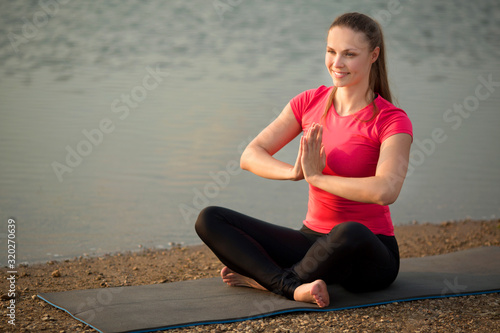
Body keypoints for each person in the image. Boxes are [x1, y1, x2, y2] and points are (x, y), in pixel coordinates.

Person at [195, 12, 413, 308]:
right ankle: (291, 285)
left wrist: (319, 178)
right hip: (311, 242)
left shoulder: (391, 120)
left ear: (374, 55)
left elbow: (386, 190)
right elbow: (250, 155)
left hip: (368, 252)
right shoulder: (309, 102)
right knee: (210, 218)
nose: (337, 63)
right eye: (331, 51)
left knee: (349, 230)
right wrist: (295, 172)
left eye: (350, 54)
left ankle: (268, 281)